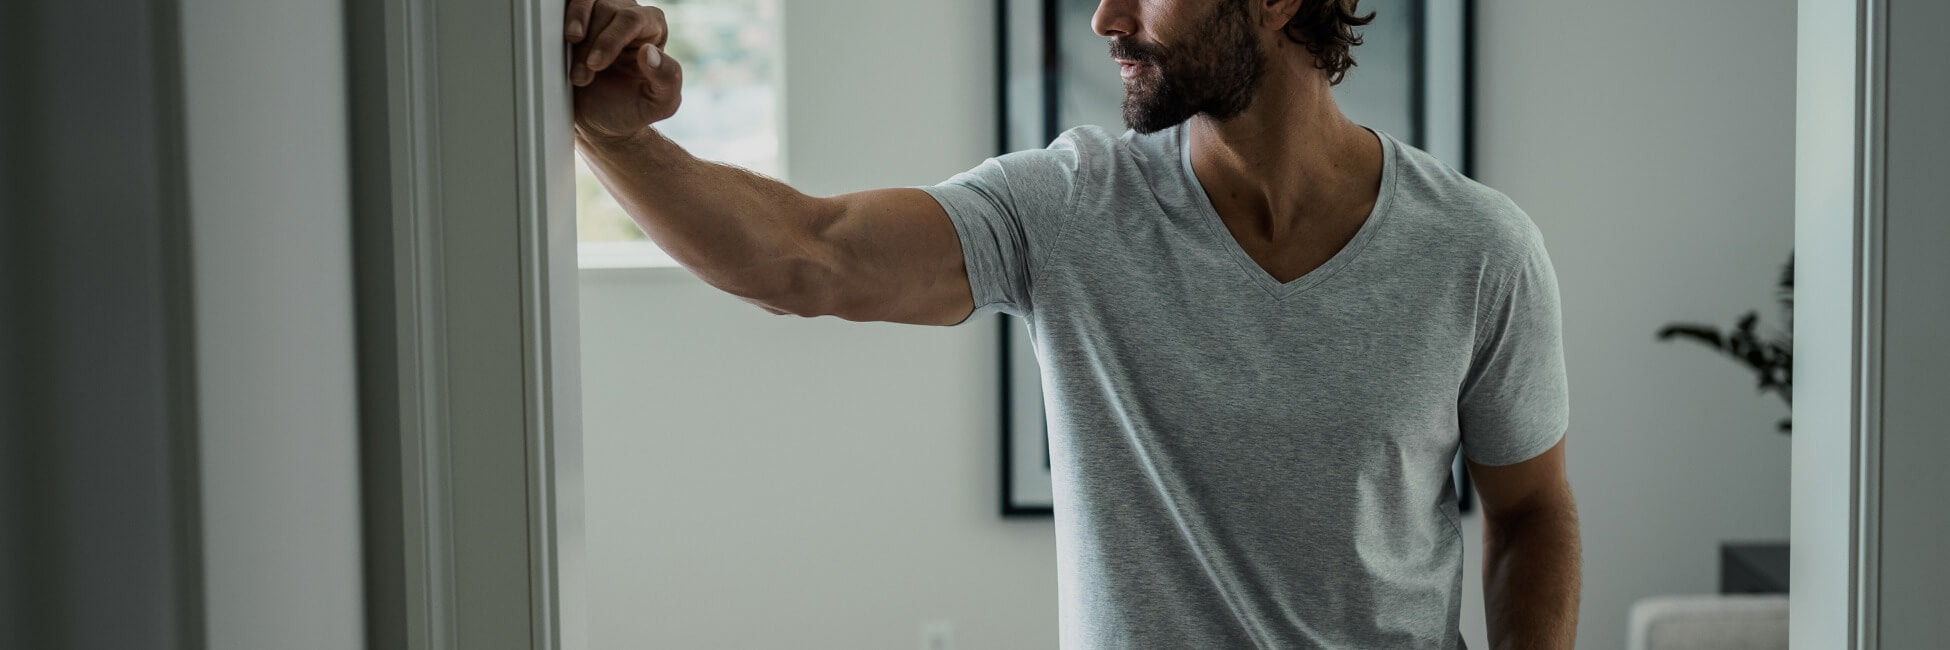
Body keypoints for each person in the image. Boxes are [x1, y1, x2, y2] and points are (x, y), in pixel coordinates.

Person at [563, 0, 1580, 646]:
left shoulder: (1479, 250)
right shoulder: (1071, 205)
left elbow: (1532, 511)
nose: (1105, 17)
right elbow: (806, 255)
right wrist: (619, 139)